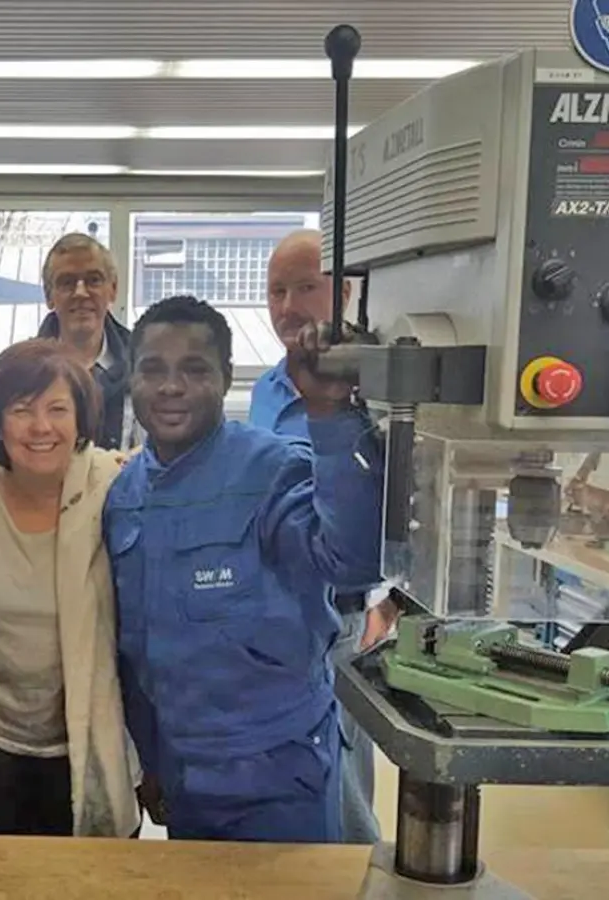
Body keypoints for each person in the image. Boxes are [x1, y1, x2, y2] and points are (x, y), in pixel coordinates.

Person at [108, 295, 383, 843]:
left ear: (226, 377)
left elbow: (351, 559)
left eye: (194, 369)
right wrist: (151, 761)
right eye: (153, 370)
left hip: (280, 774)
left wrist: (328, 413)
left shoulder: (272, 469)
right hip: (183, 774)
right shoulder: (124, 496)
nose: (171, 387)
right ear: (131, 379)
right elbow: (135, 650)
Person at [0, 339, 140, 838]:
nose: (41, 428)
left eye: (57, 409)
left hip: (90, 737)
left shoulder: (118, 486)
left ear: (82, 418)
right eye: (22, 410)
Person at [248, 229, 393, 845]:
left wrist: (392, 599)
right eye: (277, 290)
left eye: (305, 287)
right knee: (284, 795)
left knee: (344, 803)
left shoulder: (376, 384)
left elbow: (404, 505)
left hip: (338, 622)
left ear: (345, 290)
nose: (288, 306)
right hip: (272, 622)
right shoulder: (265, 389)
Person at [35, 234, 138, 451]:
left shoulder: (142, 364)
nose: (80, 293)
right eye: (67, 282)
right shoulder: (22, 371)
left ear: (113, 289)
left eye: (93, 280)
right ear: (49, 296)